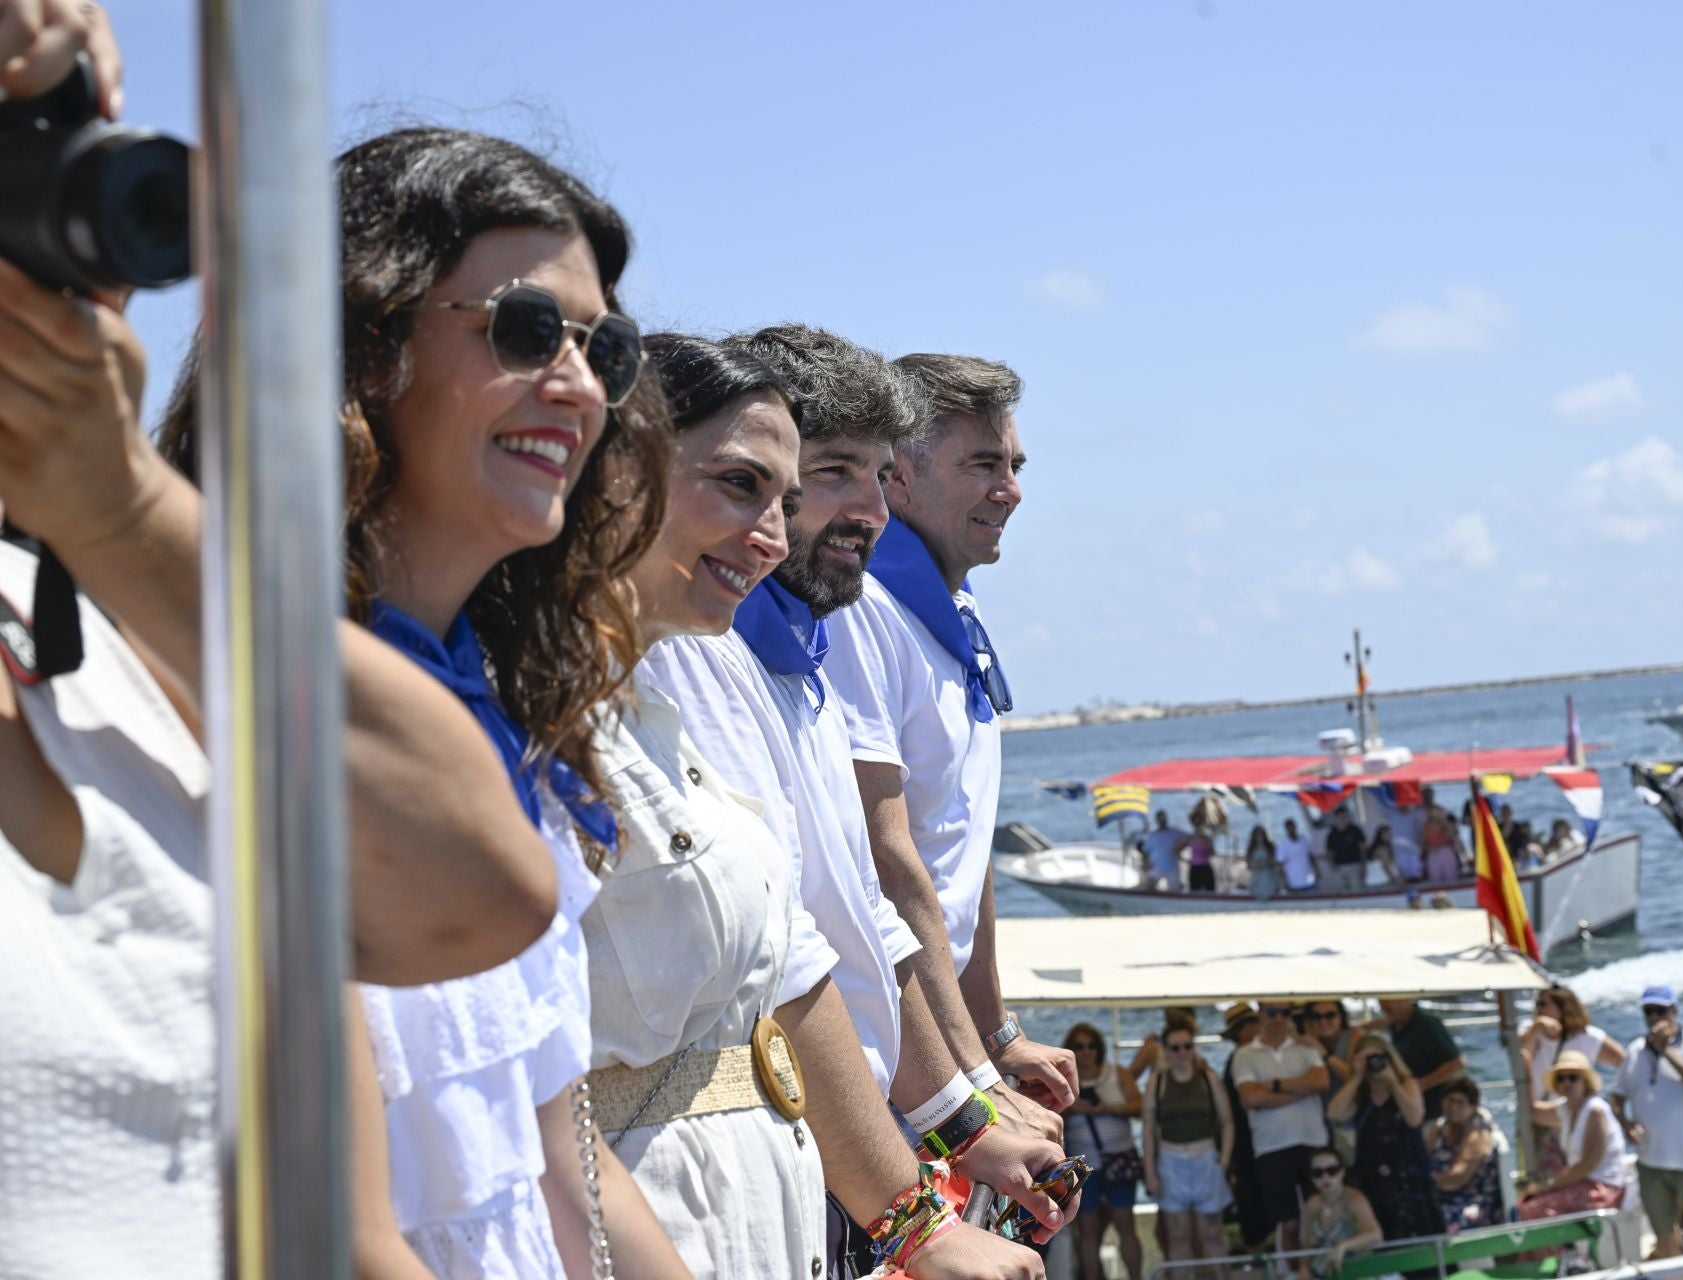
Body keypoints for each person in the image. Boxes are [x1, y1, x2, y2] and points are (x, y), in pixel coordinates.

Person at [155, 125, 694, 1279]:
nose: (580, 386)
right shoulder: (226, 710)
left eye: (607, 349)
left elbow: (558, 1156)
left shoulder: (513, 724)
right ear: (357, 347)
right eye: (527, 329)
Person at [616, 332, 1055, 1278]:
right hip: (768, 1158)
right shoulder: (703, 653)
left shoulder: (794, 660)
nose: (867, 507)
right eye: (832, 474)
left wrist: (964, 1109)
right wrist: (919, 1208)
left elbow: (863, 910)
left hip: (820, 1152)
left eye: (876, 473)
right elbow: (834, 922)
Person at [824, 352, 1079, 1123]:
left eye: (1015, 464)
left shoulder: (952, 613)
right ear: (897, 476)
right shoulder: (861, 608)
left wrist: (997, 1035)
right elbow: (887, 860)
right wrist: (973, 1089)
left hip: (944, 1046)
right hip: (887, 1065)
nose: (1013, 490)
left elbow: (964, 846)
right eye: (984, 465)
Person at [1610, 983, 1683, 1259]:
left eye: (1661, 1010)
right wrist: (1626, 1125)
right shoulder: (1635, 1050)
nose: (1654, 1017)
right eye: (1649, 1011)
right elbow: (1616, 1096)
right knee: (1663, 1234)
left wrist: (1666, 1052)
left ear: (1674, 1012)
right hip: (1651, 1161)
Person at [1231, 1000, 1331, 1253]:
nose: (1279, 1019)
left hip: (1313, 1142)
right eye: (1273, 1013)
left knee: (1321, 1215)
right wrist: (1301, 1089)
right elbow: (1251, 1098)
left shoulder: (1305, 1046)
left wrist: (1273, 1086)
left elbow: (1321, 1082)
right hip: (1271, 1147)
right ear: (1261, 1015)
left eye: (1285, 1013)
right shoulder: (1244, 1055)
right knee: (1288, 1223)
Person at [1519, 1050, 1628, 1273]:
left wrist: (1545, 1185)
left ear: (1585, 1081)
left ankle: (1568, 1264)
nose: (1566, 1083)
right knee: (1525, 1205)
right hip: (1583, 1182)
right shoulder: (1565, 1109)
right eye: (1561, 1078)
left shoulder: (1595, 1111)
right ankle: (1550, 1262)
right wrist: (1527, 1074)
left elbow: (1587, 1164)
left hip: (1603, 1187)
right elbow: (1533, 1112)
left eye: (1573, 1077)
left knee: (1537, 1207)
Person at [1141, 1022, 1236, 1276]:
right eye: (1175, 1048)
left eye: (1187, 1046)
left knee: (1213, 1233)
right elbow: (1148, 1131)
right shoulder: (1158, 1082)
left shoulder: (1209, 1079)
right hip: (1171, 1162)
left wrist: (1224, 1162)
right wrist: (1150, 1173)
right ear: (1166, 1050)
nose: (1182, 1053)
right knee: (1178, 1235)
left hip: (1206, 1160)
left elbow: (1227, 1122)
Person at [1328, 1033, 1442, 1242]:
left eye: (1377, 1058)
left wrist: (1392, 1083)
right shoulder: (1359, 1093)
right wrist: (1356, 1076)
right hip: (1373, 1174)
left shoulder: (1407, 1084)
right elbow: (1334, 1114)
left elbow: (1414, 1118)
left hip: (1408, 1173)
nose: (1373, 1064)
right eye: (1366, 1059)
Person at [1064, 1025, 1145, 1280]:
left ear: (1099, 1048)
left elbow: (1139, 1106)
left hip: (1118, 1159)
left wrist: (1109, 1108)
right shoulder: (1064, 1080)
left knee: (1126, 1225)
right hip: (1084, 1167)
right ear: (1072, 1050)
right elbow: (1049, 1116)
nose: (1087, 1052)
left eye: (1091, 1046)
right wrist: (1072, 1107)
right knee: (1087, 1230)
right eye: (1080, 1046)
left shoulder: (1117, 1073)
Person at [1521, 985, 1625, 1176]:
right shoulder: (1531, 1032)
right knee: (1545, 1176)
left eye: (1543, 1004)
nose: (1537, 1008)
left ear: (1562, 1008)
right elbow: (1520, 1059)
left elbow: (1623, 1062)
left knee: (1574, 1173)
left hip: (1577, 1115)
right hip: (1541, 1117)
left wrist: (1616, 1099)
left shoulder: (1587, 1036)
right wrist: (1536, 1027)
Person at [1218, 1001, 1269, 1249]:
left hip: (1254, 1141)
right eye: (1249, 1024)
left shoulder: (1244, 1058)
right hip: (1246, 1144)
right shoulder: (1240, 1059)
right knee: (1254, 1200)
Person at [1427, 1078, 1502, 1233]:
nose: (1453, 1107)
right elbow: (1422, 1159)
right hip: (1437, 1193)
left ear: (1472, 1107)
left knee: (1432, 1219)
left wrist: (1422, 1183)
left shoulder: (1477, 1136)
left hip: (1469, 1200)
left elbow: (1456, 1178)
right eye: (1450, 1100)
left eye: (1460, 1103)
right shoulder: (1438, 1128)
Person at [1295, 1150, 1384, 1280]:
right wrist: (1303, 1268)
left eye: (1332, 1171)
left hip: (1357, 1272)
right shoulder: (1312, 1203)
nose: (1325, 1177)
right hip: (1322, 1272)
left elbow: (1375, 1234)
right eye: (1317, 1173)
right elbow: (1306, 1243)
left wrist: (1343, 1246)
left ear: (1342, 1172)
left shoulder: (1354, 1199)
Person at [1379, 998, 1468, 1120]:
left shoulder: (1427, 1024)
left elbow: (1457, 1064)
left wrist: (1420, 1086)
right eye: (1381, 1001)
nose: (1383, 1005)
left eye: (1387, 1001)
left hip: (1433, 1105)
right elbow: (1382, 1023)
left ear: (1405, 1000)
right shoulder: (1395, 1024)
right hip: (1411, 1105)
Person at [1304, 1001, 1361, 1162]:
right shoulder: (1308, 1042)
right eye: (1317, 1017)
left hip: (1351, 1125)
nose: (1323, 1021)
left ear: (1341, 1017)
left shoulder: (1353, 1035)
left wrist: (1325, 1055)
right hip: (1320, 1127)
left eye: (1330, 1015)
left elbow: (1353, 1076)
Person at [1140, 810, 1193, 892]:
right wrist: (1145, 864)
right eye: (1159, 818)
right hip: (1157, 867)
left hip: (1172, 867)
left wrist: (1180, 848)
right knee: (1149, 888)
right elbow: (1145, 852)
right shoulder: (1152, 835)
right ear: (1156, 820)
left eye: (1163, 818)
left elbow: (1190, 838)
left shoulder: (1175, 832)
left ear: (1166, 819)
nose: (1161, 820)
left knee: (1175, 891)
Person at [1323, 807, 1366, 893]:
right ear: (1335, 818)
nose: (1342, 819)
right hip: (1339, 867)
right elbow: (1329, 851)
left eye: (1344, 816)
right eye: (1339, 817)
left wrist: (1362, 865)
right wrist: (1331, 864)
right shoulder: (1332, 834)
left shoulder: (1355, 830)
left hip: (1355, 865)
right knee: (1343, 892)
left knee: (1357, 891)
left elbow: (1362, 848)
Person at [1275, 818, 1317, 893]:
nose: (1291, 829)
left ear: (1295, 827)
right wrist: (1284, 881)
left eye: (1292, 826)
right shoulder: (1283, 845)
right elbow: (1280, 865)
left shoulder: (1304, 840)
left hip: (1309, 879)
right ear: (1286, 829)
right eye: (1289, 827)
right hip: (1294, 883)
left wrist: (1317, 870)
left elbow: (1311, 856)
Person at [1245, 825, 1280, 900]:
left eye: (1261, 834)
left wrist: (1265, 863)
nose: (1259, 836)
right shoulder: (1251, 848)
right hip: (1257, 878)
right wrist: (1259, 864)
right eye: (1257, 834)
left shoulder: (1270, 846)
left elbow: (1275, 862)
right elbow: (1249, 866)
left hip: (1269, 877)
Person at [1188, 826, 1218, 893]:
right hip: (1195, 868)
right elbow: (1176, 849)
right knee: (1194, 891)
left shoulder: (1206, 839)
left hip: (1205, 867)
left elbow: (1212, 853)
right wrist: (1185, 860)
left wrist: (1209, 846)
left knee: (1210, 891)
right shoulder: (1190, 838)